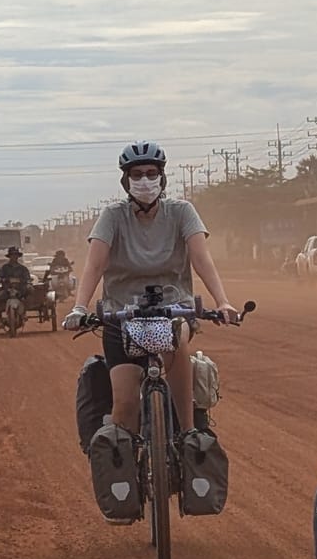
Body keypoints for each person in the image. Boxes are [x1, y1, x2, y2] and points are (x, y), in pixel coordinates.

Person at [63, 143, 241, 474]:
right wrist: (79, 307)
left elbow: (201, 259)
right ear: (125, 181)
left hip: (174, 309)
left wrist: (222, 301)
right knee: (125, 406)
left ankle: (188, 436)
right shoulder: (112, 217)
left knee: (179, 343)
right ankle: (126, 475)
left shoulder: (183, 212)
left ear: (162, 177)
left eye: (151, 174)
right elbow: (95, 265)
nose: (144, 181)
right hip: (120, 314)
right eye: (137, 175)